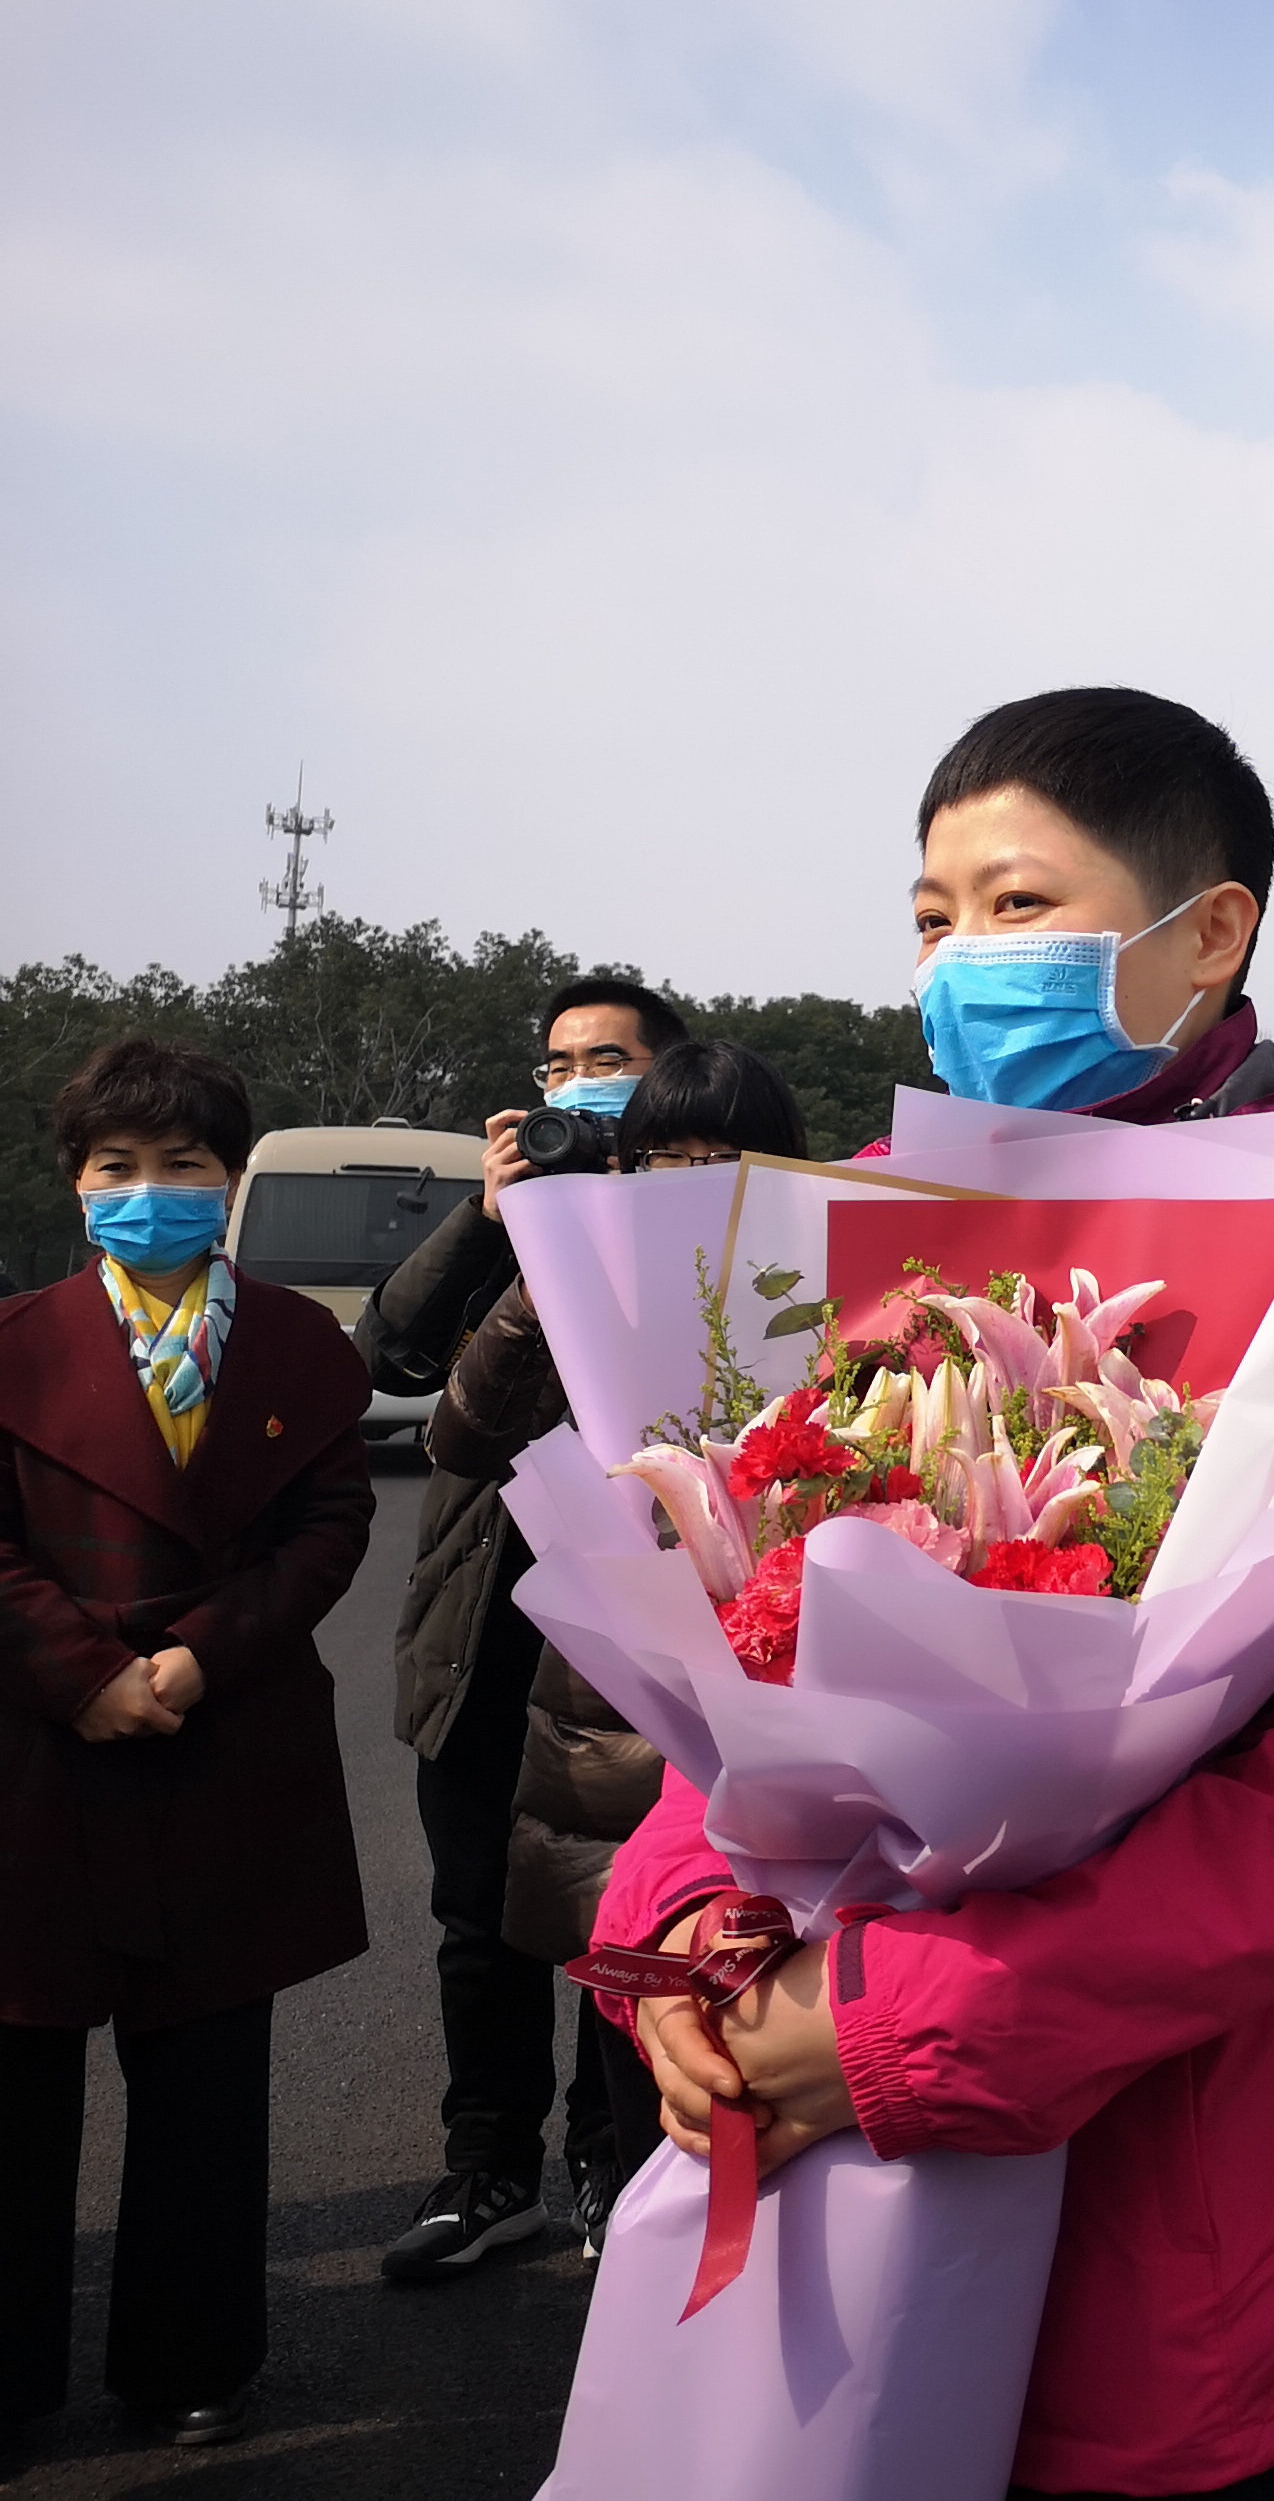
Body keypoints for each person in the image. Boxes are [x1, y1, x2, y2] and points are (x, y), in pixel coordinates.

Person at [588, 684, 1274, 2500]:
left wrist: (907, 2024)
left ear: (1211, 931)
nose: (958, 966)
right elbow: (722, 1670)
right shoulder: (854, 1241)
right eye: (931, 919)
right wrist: (694, 1950)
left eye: (1020, 909)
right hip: (822, 2142)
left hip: (1206, 2245)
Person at [0, 1040, 374, 2452]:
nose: (148, 1194)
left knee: (208, 2078)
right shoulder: (16, 1340)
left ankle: (192, 2356)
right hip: (42, 1748)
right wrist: (85, 1672)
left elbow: (332, 1527)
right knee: (17, 2083)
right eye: (116, 1169)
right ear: (75, 1183)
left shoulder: (296, 1344)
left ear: (231, 1182)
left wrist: (201, 1654)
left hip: (228, 1734)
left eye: (182, 1168)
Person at [420, 1040, 811, 2253]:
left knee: (763, 2009)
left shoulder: (826, 1290)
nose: (688, 1183)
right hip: (605, 1707)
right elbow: (461, 1436)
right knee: (629, 1980)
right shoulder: (584, 1286)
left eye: (722, 1159)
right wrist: (551, 1263)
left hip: (779, 1695)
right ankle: (624, 2222)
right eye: (661, 1159)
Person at [363, 973, 687, 2283]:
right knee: (477, 1916)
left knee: (624, 1920)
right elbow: (390, 1355)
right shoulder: (504, 1223)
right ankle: (488, 2171)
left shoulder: (699, 1226)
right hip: (478, 1624)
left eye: (610, 1060)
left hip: (622, 1639)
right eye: (559, 1067)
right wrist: (493, 1222)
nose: (579, 1086)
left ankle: (615, 2166)